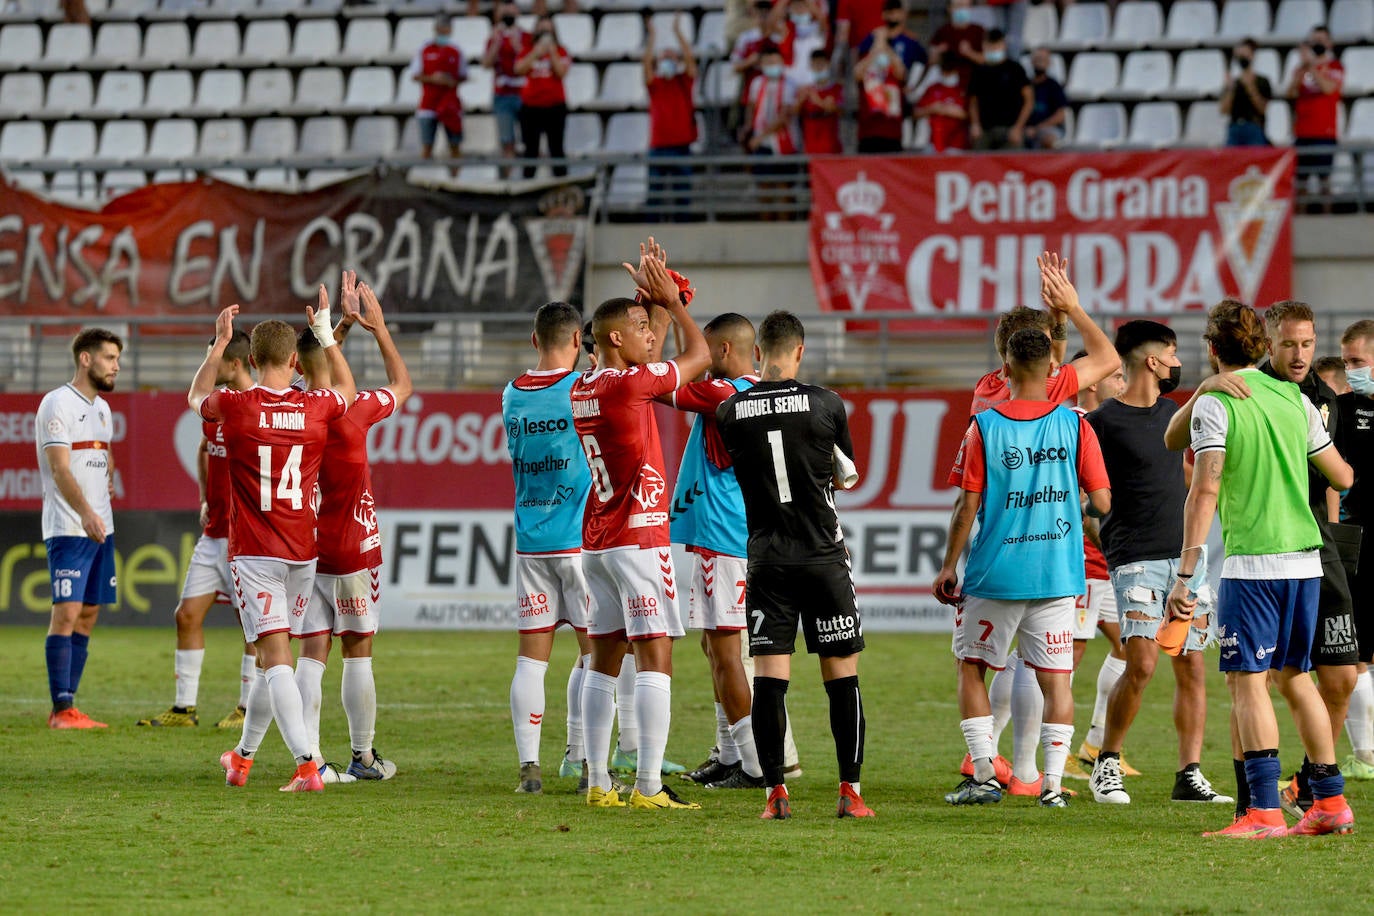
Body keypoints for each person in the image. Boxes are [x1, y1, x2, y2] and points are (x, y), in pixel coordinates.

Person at [1166, 300, 1353, 838]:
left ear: (1211, 350)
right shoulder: (1295, 398)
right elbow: (1340, 475)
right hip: (1306, 559)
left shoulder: (1218, 405)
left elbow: (1204, 489)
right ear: (1262, 346)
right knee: (1296, 677)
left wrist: (1184, 575)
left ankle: (1264, 811)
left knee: (1247, 683)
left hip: (1254, 564)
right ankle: (1331, 803)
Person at [957, 255, 1120, 791]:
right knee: (1040, 669)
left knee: (990, 661)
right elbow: (1103, 359)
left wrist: (1054, 324)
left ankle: (986, 763)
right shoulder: (1060, 402)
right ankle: (1032, 770)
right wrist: (1069, 310)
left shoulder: (987, 393)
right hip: (1051, 552)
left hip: (990, 543)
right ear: (1047, 359)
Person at [194, 290, 358, 793]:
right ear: (293, 360)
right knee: (272, 659)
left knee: (275, 657)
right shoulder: (315, 407)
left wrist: (217, 344)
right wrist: (328, 335)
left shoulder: (237, 407)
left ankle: (307, 765)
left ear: (248, 360)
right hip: (302, 553)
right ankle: (241, 758)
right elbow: (347, 389)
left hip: (254, 554)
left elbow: (194, 398)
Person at [716, 310, 872, 820]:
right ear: (800, 351)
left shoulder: (730, 412)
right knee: (841, 676)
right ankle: (849, 793)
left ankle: (775, 796)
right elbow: (846, 476)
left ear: (758, 352)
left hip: (767, 558)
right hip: (824, 556)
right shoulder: (828, 403)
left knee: (768, 677)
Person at [573, 246, 711, 810]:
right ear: (612, 341)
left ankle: (599, 783)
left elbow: (642, 348)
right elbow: (698, 353)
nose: (647, 336)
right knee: (655, 655)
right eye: (637, 330)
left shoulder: (587, 385)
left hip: (598, 541)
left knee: (603, 660)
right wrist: (675, 307)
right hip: (638, 536)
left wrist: (648, 302)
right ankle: (650, 787)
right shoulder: (631, 387)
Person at [1083, 321, 1231, 807]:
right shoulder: (1102, 422)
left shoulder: (1174, 413)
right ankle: (1106, 761)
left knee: (1191, 666)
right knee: (1143, 661)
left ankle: (1188, 773)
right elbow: (1085, 492)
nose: (1176, 362)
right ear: (1152, 360)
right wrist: (1100, 531)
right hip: (1134, 557)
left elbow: (1183, 473)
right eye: (1170, 353)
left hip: (1185, 556)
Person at [292, 279, 410, 785]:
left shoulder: (290, 407)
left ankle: (313, 761)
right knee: (357, 649)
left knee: (311, 652)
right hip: (352, 548)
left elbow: (317, 365)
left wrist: (332, 330)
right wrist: (377, 329)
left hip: (300, 546)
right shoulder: (354, 408)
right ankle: (363, 758)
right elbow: (402, 385)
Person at [1253, 302, 1360, 816]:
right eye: (1289, 344)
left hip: (1320, 546)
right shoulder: (1244, 390)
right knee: (1259, 677)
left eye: (1308, 343)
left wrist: (1337, 540)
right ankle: (1255, 799)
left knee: (1340, 678)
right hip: (1267, 549)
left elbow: (1334, 481)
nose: (1299, 355)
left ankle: (1307, 783)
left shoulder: (1325, 400)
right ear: (1268, 344)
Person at [662, 313, 767, 792]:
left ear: (723, 350)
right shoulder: (760, 391)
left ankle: (754, 764)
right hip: (742, 532)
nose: (701, 359)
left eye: (707, 351)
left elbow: (661, 385)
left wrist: (668, 311)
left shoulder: (722, 395)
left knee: (726, 653)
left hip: (723, 537)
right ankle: (729, 755)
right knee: (714, 647)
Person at [137, 331, 257, 730]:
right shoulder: (219, 410)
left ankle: (247, 707)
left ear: (235, 363)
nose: (208, 366)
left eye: (216, 357)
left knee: (254, 627)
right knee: (186, 615)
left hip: (248, 540)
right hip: (214, 534)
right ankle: (184, 710)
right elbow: (206, 449)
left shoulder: (257, 407)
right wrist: (205, 495)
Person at [503, 301, 596, 795]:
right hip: (580, 540)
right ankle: (587, 767)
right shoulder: (582, 389)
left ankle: (530, 771)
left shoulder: (510, 394)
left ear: (535, 340)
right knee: (595, 655)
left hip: (531, 542)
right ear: (578, 341)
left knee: (530, 661)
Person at [37, 328, 122, 729]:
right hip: (70, 526)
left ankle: (68, 706)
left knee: (88, 613)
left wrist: (107, 477)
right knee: (66, 613)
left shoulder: (103, 409)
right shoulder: (56, 404)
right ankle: (61, 709)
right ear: (86, 359)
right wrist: (86, 512)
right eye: (109, 358)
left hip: (102, 526)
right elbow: (59, 469)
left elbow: (103, 455)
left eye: (118, 359)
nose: (116, 366)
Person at [1062, 350, 1126, 783]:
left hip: (1108, 564)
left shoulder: (1104, 425)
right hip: (1087, 563)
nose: (1122, 384)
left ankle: (1096, 744)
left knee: (1130, 647)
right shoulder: (1080, 424)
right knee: (1068, 655)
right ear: (1091, 383)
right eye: (1115, 377)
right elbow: (1084, 503)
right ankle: (1054, 747)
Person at [1335, 320, 1374, 780]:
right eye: (1345, 362)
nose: (1350, 372)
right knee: (1355, 648)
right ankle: (1364, 755)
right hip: (1356, 541)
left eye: (1357, 362)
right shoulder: (1342, 410)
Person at [854, 0, 927, 153]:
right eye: (890, 11)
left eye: (896, 11)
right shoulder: (869, 42)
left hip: (896, 117)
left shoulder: (909, 42)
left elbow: (905, 73)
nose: (893, 15)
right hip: (870, 122)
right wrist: (877, 44)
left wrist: (884, 44)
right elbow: (858, 72)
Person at [644, 15, 699, 217]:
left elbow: (691, 60)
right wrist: (652, 38)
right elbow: (646, 65)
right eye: (664, 58)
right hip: (658, 146)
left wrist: (678, 33)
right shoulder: (655, 84)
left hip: (681, 146)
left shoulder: (684, 82)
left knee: (683, 196)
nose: (667, 60)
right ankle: (651, 236)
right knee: (654, 196)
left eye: (671, 57)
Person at [1287, 25, 1344, 201]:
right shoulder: (1301, 69)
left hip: (1324, 132)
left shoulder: (1335, 66)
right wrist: (1303, 69)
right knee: (1301, 180)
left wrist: (1313, 68)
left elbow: (1328, 89)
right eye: (1314, 40)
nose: (1317, 43)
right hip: (1303, 131)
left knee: (1324, 180)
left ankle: (1327, 221)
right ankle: (1302, 220)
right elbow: (1291, 94)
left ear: (1329, 43)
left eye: (1321, 40)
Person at [516, 15, 570, 179]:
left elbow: (561, 72)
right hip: (531, 107)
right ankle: (527, 188)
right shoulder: (527, 50)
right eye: (542, 29)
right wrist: (535, 53)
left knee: (557, 149)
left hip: (555, 106)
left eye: (548, 29)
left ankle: (561, 187)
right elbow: (518, 69)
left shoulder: (561, 51)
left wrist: (551, 51)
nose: (545, 33)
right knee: (530, 150)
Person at [409, 14, 467, 160]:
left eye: (446, 29)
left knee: (455, 146)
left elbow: (464, 75)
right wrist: (432, 78)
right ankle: (424, 177)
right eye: (441, 29)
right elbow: (415, 74)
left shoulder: (456, 50)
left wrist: (451, 81)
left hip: (450, 103)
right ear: (435, 29)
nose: (443, 32)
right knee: (427, 146)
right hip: (429, 103)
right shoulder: (425, 49)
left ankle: (456, 179)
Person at [967, 29, 1031, 151]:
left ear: (1003, 45)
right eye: (990, 46)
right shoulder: (979, 71)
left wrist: (1018, 128)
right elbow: (973, 101)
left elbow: (1029, 100)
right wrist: (975, 124)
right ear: (985, 46)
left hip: (1010, 129)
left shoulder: (1015, 69)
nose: (993, 49)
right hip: (985, 130)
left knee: (1013, 165)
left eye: (996, 45)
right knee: (979, 164)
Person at [483, 2, 526, 171]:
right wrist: (496, 43)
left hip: (524, 94)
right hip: (502, 94)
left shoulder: (526, 36)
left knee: (529, 140)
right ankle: (510, 177)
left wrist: (516, 45)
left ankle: (527, 177)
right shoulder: (494, 37)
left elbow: (532, 61)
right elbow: (486, 63)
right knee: (506, 141)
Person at [1221, 38, 1271, 148]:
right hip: (1235, 127)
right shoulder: (1233, 82)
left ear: (1252, 56)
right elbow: (1224, 110)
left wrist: (1250, 87)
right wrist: (1230, 90)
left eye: (1245, 55)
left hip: (1254, 127)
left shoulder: (1262, 81)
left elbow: (1262, 109)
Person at [913, 65, 970, 153]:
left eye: (950, 71)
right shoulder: (933, 89)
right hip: (934, 142)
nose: (947, 74)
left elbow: (968, 114)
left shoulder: (962, 90)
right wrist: (932, 109)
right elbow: (916, 113)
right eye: (945, 71)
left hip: (956, 144)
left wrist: (946, 109)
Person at [930, 0, 984, 87]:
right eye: (958, 6)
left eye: (965, 6)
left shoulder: (978, 31)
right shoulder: (943, 31)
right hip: (947, 81)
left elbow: (987, 61)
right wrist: (938, 52)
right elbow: (931, 61)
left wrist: (970, 53)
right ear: (950, 9)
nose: (962, 9)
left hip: (974, 81)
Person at [798, 49, 843, 154]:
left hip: (830, 146)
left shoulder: (836, 88)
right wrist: (800, 101)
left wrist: (818, 101)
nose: (818, 68)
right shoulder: (806, 89)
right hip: (810, 146)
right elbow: (794, 112)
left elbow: (839, 110)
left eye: (821, 64)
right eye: (815, 65)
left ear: (828, 64)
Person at [1024, 47, 1067, 150]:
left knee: (1049, 139)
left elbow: (1060, 115)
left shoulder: (1054, 86)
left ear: (1049, 63)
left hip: (1046, 128)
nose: (1040, 62)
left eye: (1043, 59)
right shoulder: (1025, 86)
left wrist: (1037, 128)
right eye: (1037, 59)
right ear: (1032, 61)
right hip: (1025, 129)